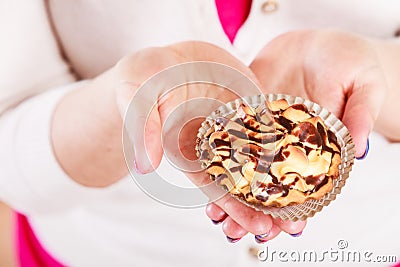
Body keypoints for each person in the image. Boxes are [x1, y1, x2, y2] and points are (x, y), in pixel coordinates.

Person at [0, 0, 399, 266]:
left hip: (368, 246)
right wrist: (119, 107)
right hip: (109, 250)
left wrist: (379, 71)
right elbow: (10, 153)